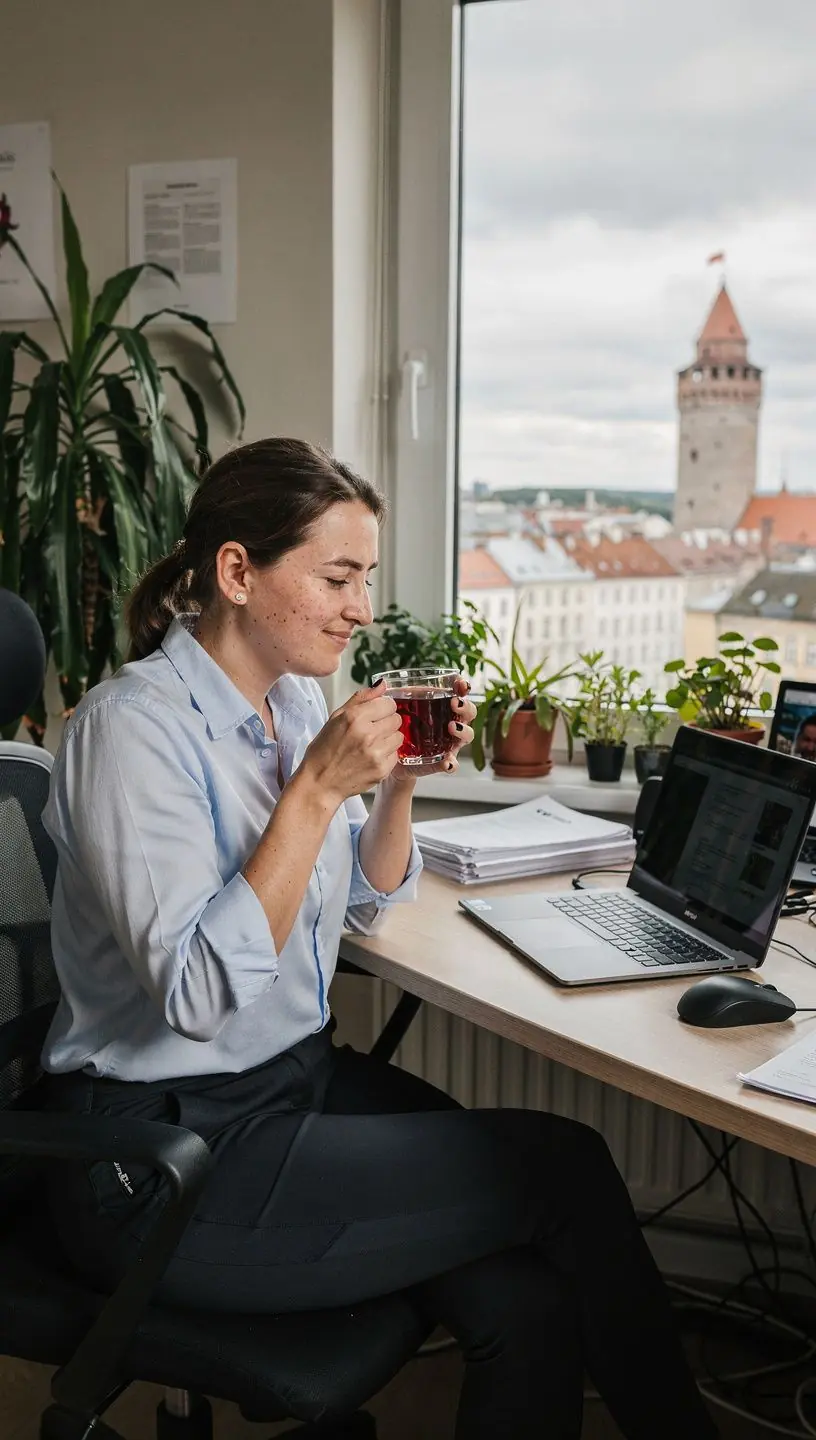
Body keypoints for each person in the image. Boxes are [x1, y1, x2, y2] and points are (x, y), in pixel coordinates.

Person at [42, 438, 717, 1440]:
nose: (360, 606)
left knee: (523, 1299)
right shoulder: (130, 731)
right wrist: (316, 788)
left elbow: (362, 897)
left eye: (365, 578)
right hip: (160, 1153)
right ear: (237, 572)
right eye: (337, 577)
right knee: (564, 1166)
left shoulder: (293, 703)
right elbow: (196, 990)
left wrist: (398, 780)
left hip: (288, 1088)